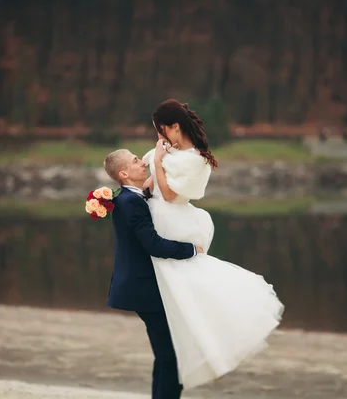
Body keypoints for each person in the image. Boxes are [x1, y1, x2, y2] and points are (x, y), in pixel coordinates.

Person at [142, 99, 284, 390]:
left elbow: (170, 196)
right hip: (156, 218)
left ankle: (198, 348)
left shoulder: (196, 160)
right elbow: (148, 185)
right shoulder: (165, 150)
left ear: (174, 127)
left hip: (173, 221)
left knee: (186, 294)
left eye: (160, 131)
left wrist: (157, 161)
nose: (158, 138)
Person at [103, 148, 203, 399]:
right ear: (124, 173)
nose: (142, 162)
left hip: (145, 286)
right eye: (136, 161)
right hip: (144, 289)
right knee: (171, 354)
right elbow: (153, 244)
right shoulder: (129, 202)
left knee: (167, 353)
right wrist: (191, 249)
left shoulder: (130, 197)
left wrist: (160, 158)